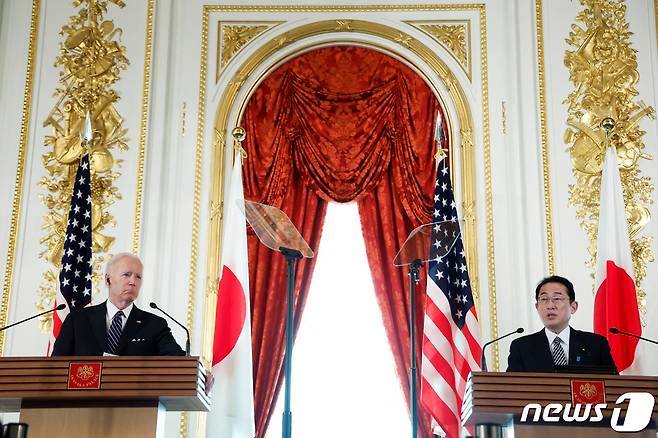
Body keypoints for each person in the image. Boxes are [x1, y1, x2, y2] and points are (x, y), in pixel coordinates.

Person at [52, 252, 185, 356]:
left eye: (138, 277)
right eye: (126, 275)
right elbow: (56, 365)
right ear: (108, 279)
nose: (133, 282)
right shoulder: (77, 321)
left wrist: (200, 370)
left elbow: (177, 358)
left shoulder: (155, 325)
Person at [506, 275, 617, 373]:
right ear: (537, 307)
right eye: (544, 299)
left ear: (573, 307)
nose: (550, 305)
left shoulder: (596, 344)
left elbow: (612, 385)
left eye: (557, 298)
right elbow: (512, 388)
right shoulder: (521, 347)